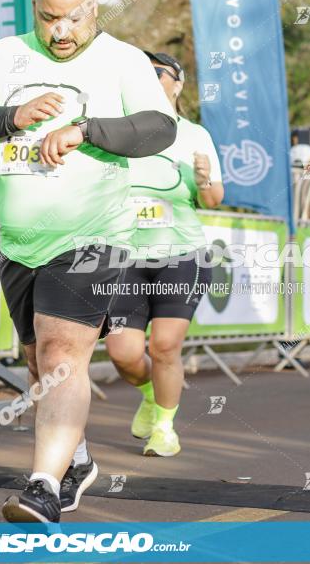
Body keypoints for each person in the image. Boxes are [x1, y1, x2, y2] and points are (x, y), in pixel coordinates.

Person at [0, 0, 177, 522]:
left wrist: (87, 129)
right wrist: (11, 116)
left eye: (72, 18)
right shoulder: (7, 55)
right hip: (21, 241)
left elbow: (159, 125)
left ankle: (43, 486)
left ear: (94, 7)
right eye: (49, 18)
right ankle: (78, 460)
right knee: (37, 364)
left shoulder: (121, 59)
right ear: (35, 11)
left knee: (60, 355)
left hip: (95, 236)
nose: (61, 32)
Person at [106, 51, 223, 457]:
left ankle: (165, 429)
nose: (151, 78)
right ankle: (152, 396)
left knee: (164, 347)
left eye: (158, 72)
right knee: (121, 352)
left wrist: (206, 180)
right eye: (144, 72)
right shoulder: (120, 133)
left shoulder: (195, 135)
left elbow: (213, 200)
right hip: (125, 256)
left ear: (178, 83)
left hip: (182, 255)